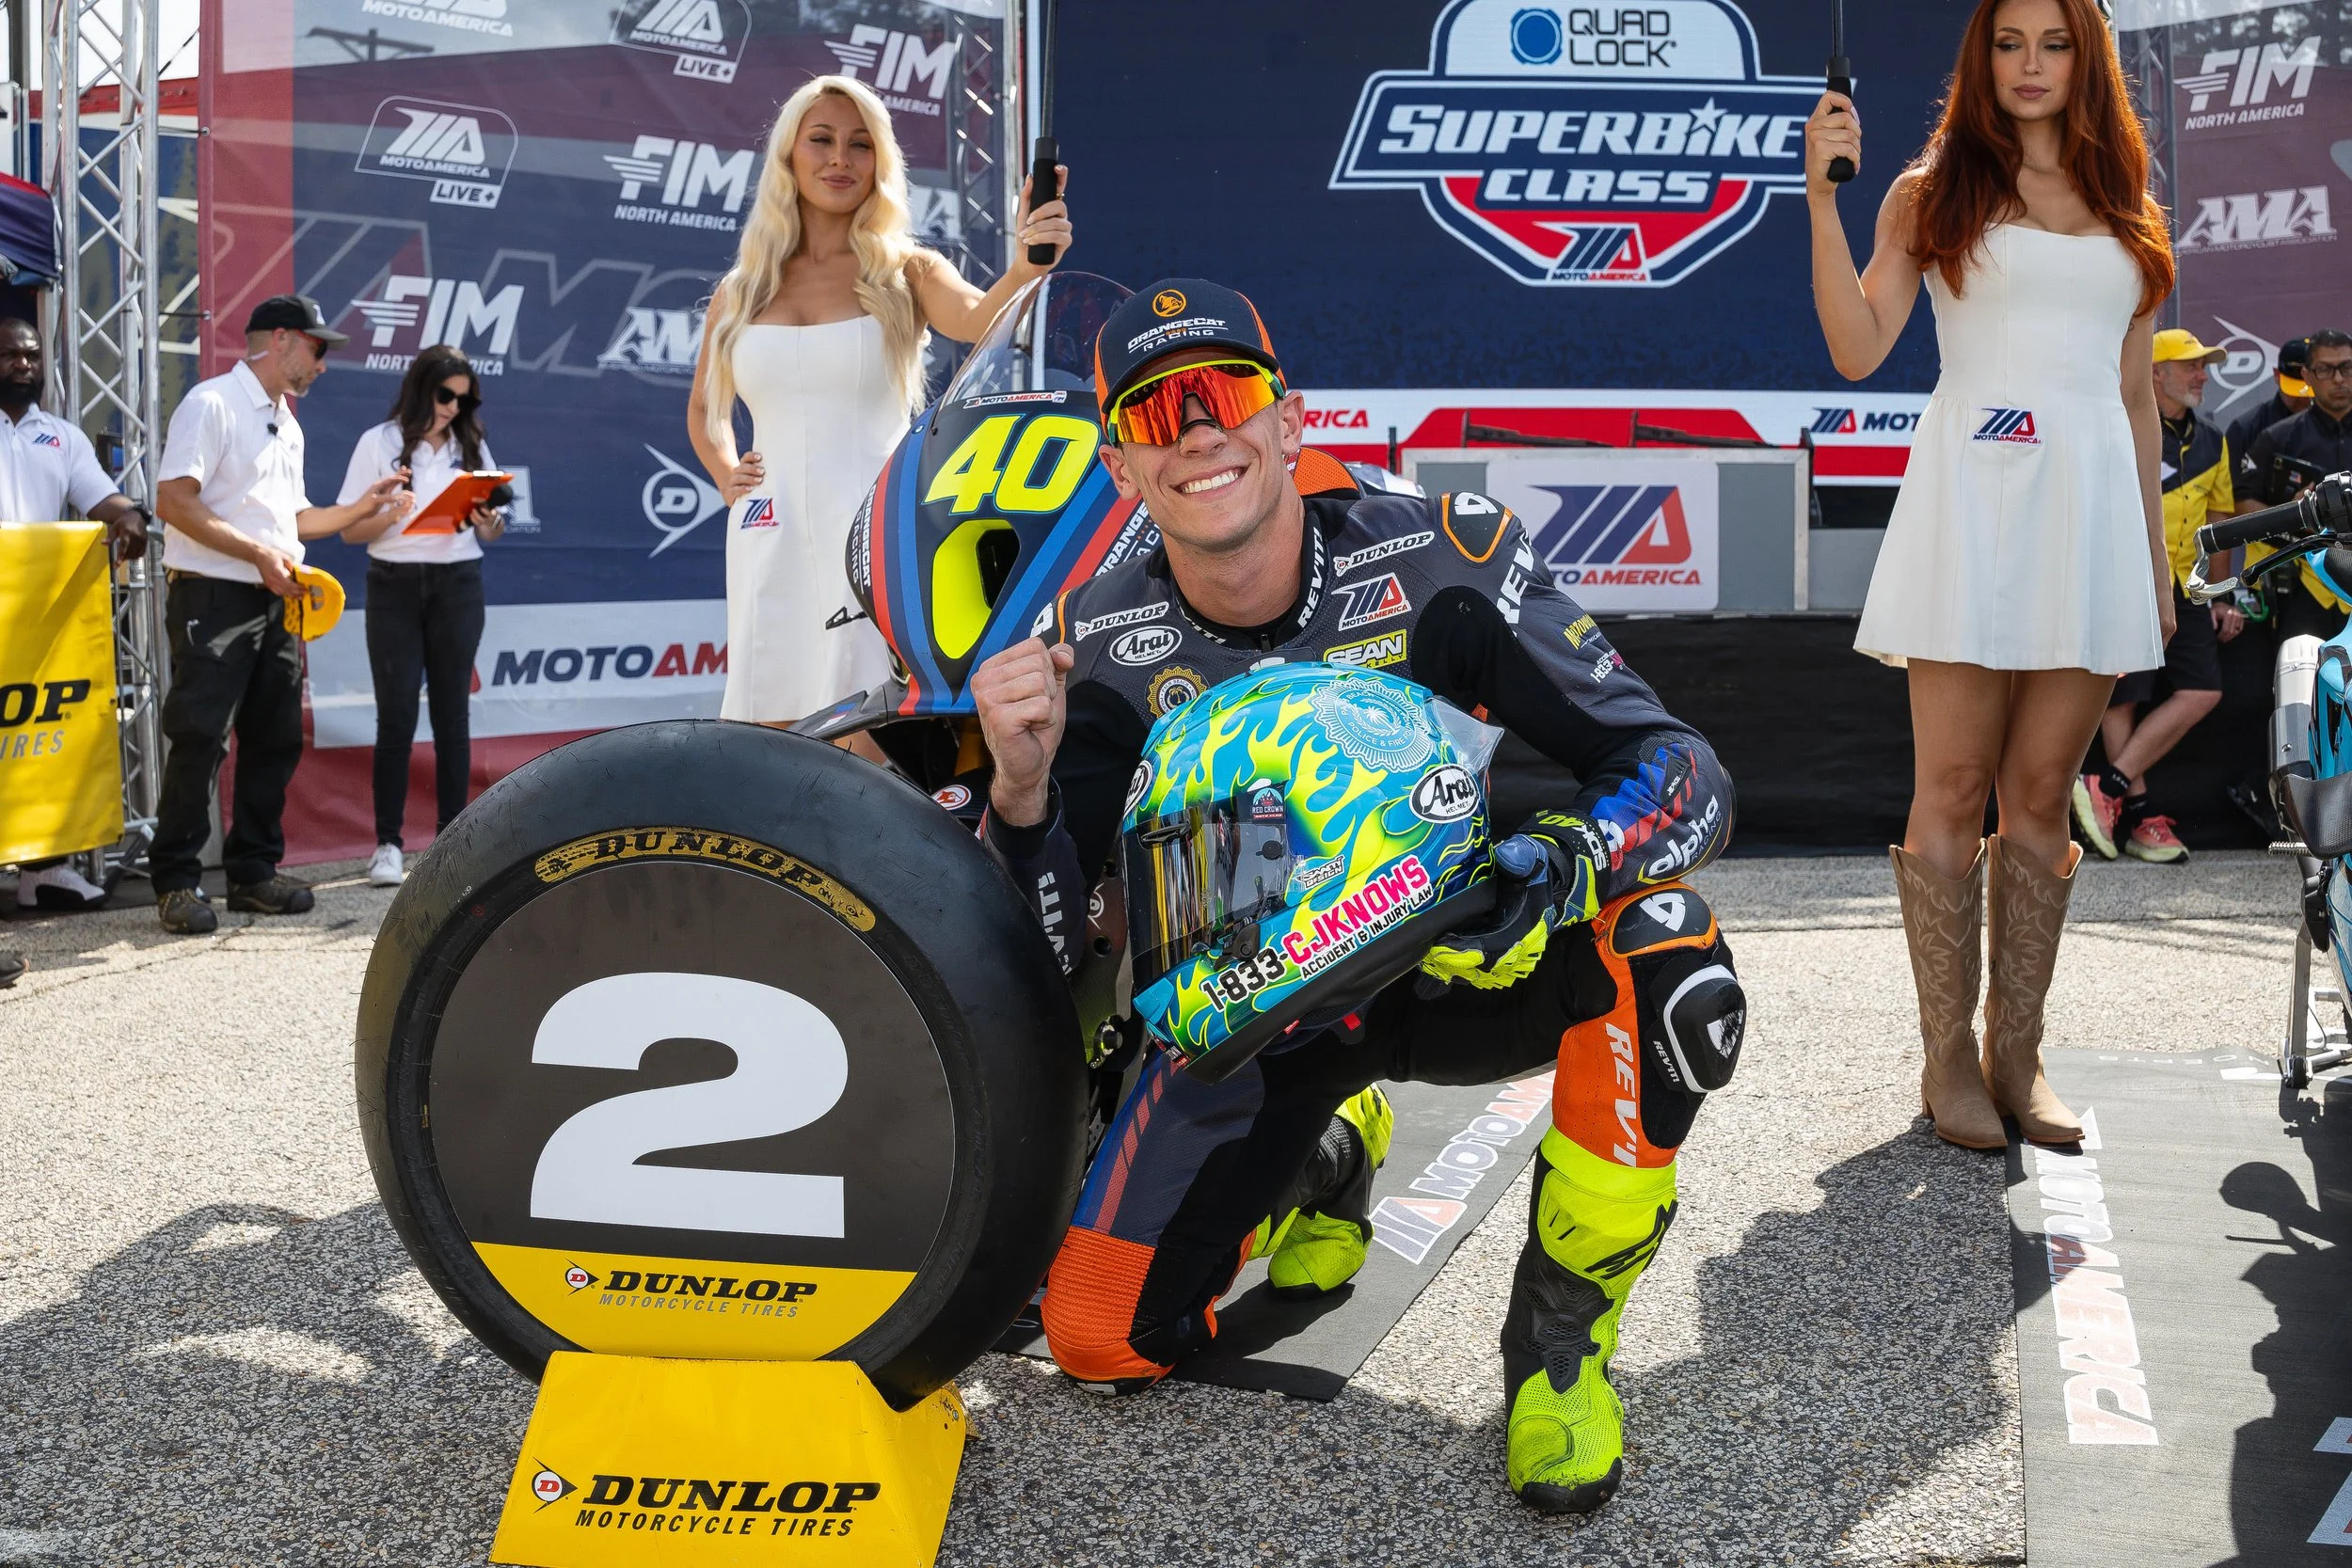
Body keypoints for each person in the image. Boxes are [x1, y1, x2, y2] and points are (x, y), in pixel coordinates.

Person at [969, 278, 1739, 1513]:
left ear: (1289, 417)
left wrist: (1560, 863)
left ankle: (1560, 1344)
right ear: (1122, 465)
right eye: (1161, 412)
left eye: (1227, 396)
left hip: (1470, 948)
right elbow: (1051, 949)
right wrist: (1016, 795)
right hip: (1263, 1014)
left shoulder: (1441, 552)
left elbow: (1681, 769)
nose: (1199, 431)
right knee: (1099, 1336)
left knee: (1671, 951)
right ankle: (1334, 1150)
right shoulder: (1094, 639)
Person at [1805, 0, 2173, 1149]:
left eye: (2053, 43)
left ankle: (2019, 1055)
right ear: (1982, 57)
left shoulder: (2129, 211)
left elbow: (2129, 399)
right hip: (1970, 499)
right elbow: (1859, 344)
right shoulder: (1932, 191)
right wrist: (1819, 198)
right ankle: (1945, 1061)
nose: (2029, 64)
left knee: (2037, 788)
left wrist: (2152, 558)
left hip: (2089, 516)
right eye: (2009, 42)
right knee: (1951, 785)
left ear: (2086, 58)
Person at [687, 74, 1073, 736]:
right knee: (767, 726)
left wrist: (1026, 261)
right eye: (823, 140)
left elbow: (981, 317)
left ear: (880, 164)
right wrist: (729, 477)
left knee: (868, 727)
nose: (841, 158)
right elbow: (703, 410)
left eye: (860, 145)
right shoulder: (740, 289)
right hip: (766, 530)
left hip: (878, 529)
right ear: (788, 155)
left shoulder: (907, 271)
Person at [149, 294, 409, 935]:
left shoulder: (285, 422)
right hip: (213, 592)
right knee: (201, 736)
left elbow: (294, 523)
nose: (322, 364)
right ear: (285, 341)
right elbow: (172, 501)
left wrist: (356, 510)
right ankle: (177, 880)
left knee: (275, 737)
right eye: (318, 350)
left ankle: (251, 873)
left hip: (278, 593)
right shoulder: (213, 403)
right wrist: (257, 553)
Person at [335, 344, 505, 888]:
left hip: (458, 585)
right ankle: (387, 844)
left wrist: (485, 519)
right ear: (420, 388)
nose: (454, 407)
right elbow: (349, 532)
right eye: (445, 394)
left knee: (453, 716)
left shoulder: (471, 443)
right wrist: (386, 514)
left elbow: (492, 530)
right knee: (396, 715)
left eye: (464, 398)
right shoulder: (377, 443)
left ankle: (452, 843)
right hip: (393, 586)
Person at [2072, 328, 2239, 865]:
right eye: (2189, 366)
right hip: (2127, 577)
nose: (2201, 375)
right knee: (2122, 697)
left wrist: (2218, 593)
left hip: (2185, 587)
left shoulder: (2214, 437)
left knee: (2202, 691)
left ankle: (2110, 788)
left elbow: (2220, 518)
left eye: (2204, 366)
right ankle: (2144, 820)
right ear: (2154, 373)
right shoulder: (2121, 427)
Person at [0, 316, 150, 912]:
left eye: (33, 356)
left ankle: (44, 870)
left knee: (37, 737)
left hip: (39, 618)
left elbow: (101, 495)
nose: (24, 366)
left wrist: (128, 515)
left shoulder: (61, 435)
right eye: (11, 355)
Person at [2241, 330, 2352, 641]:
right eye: (2326, 370)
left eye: (2347, 367)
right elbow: (2242, 501)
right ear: (2307, 375)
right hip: (2303, 583)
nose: (2339, 379)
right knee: (2299, 680)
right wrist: (2296, 513)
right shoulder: (2277, 438)